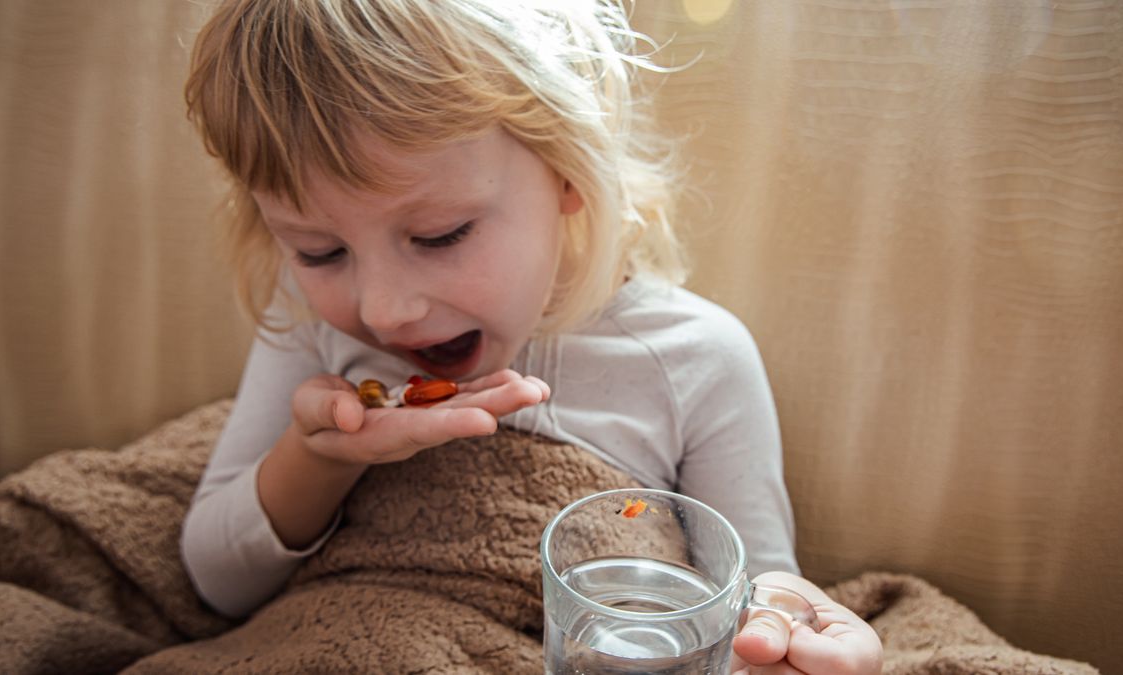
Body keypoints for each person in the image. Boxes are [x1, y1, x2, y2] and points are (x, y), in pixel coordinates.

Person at [181, 0, 882, 672]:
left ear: (569, 168)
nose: (385, 309)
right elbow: (216, 580)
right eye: (318, 252)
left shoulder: (696, 359)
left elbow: (758, 590)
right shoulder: (312, 337)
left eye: (439, 234)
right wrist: (318, 458)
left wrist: (791, 633)